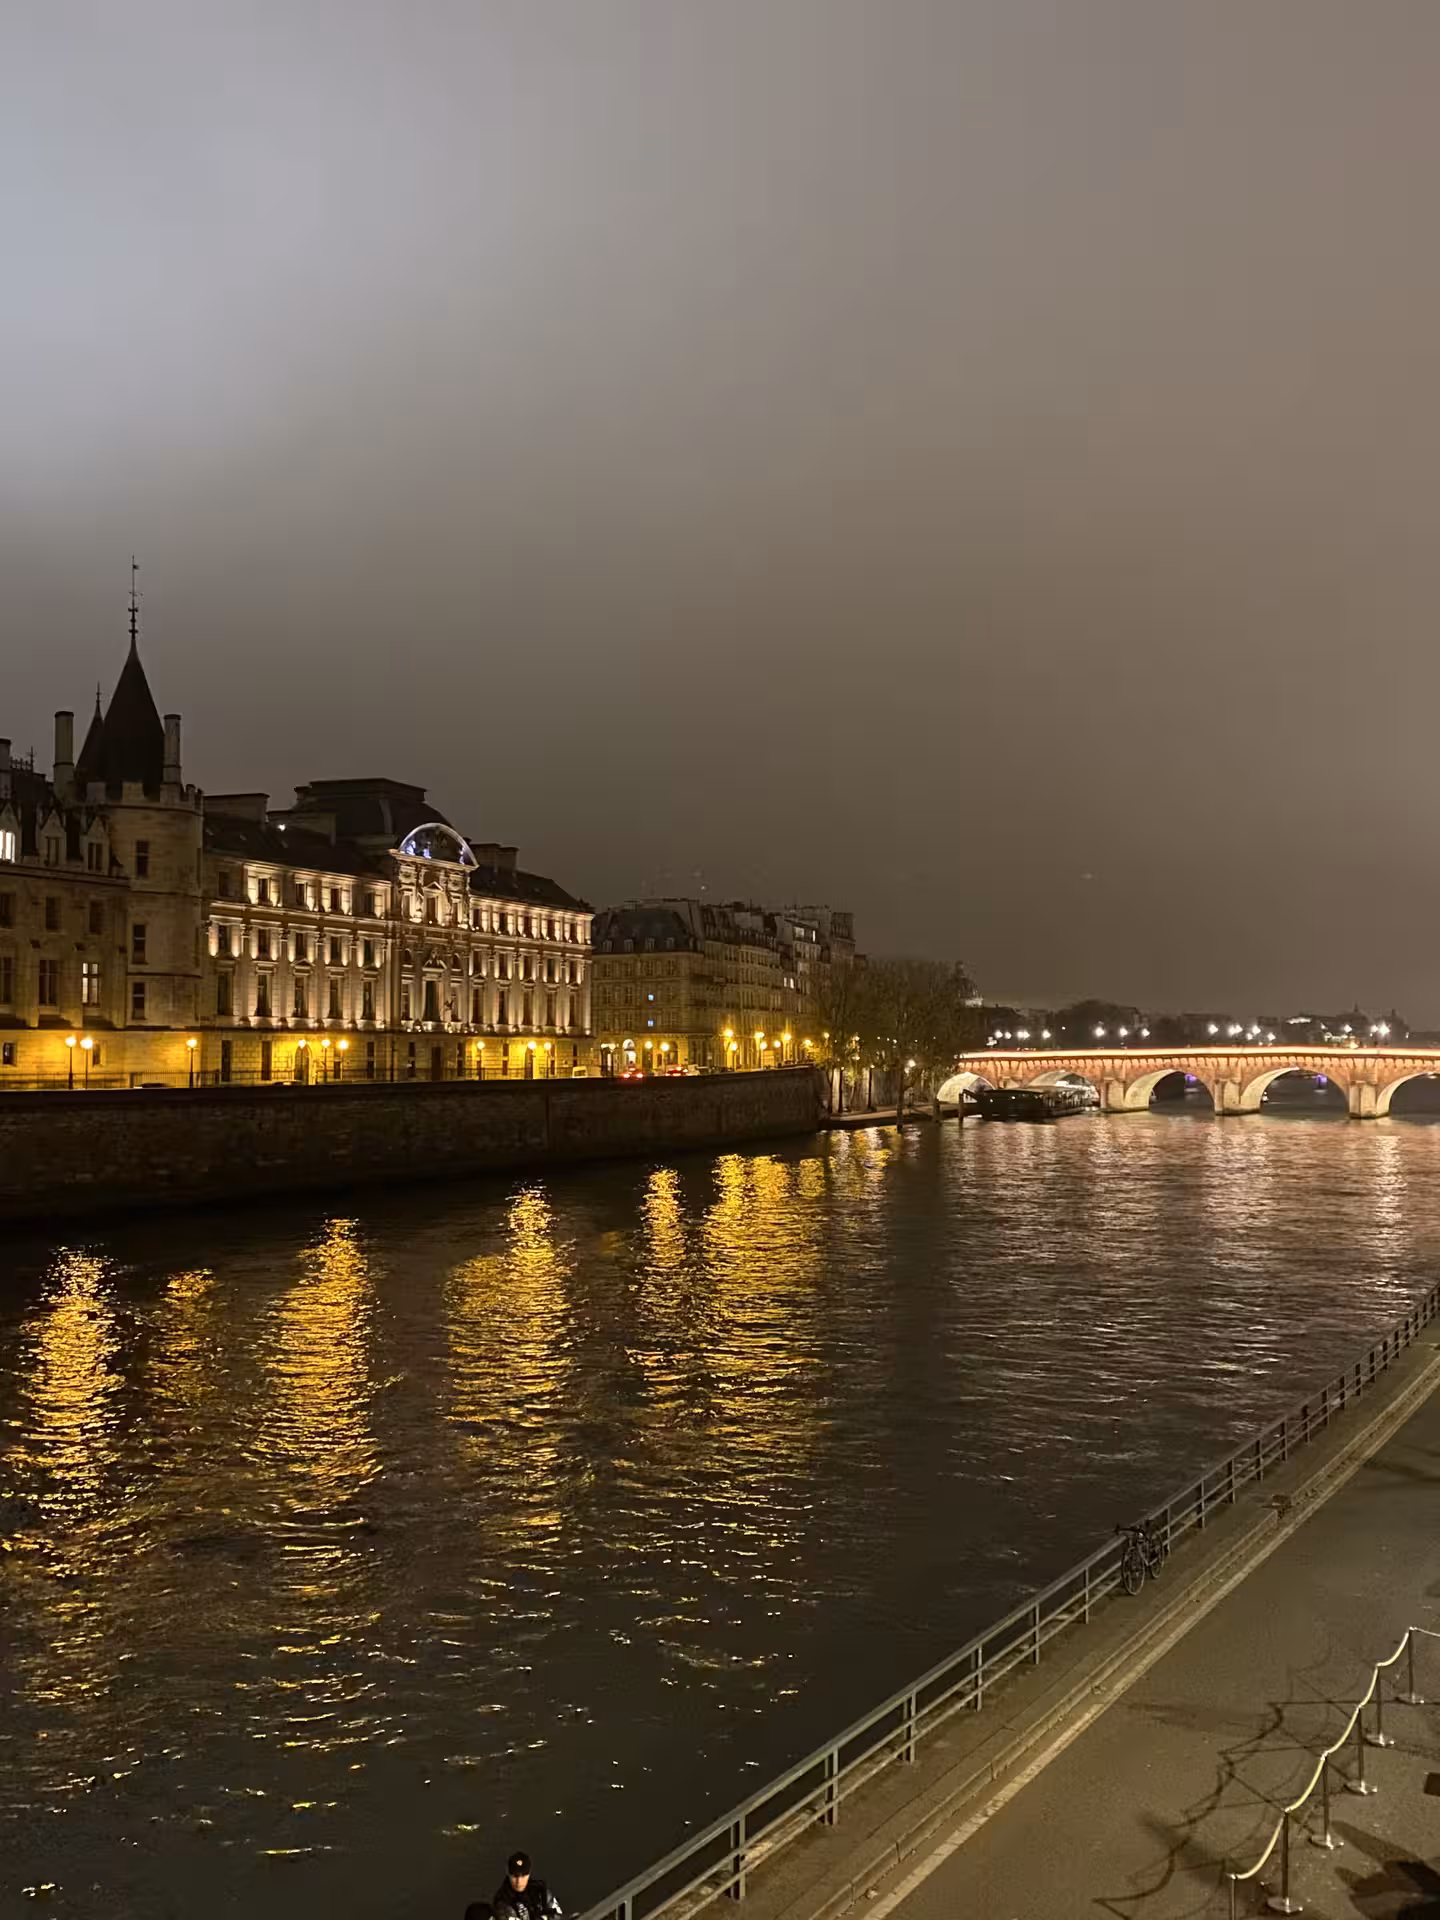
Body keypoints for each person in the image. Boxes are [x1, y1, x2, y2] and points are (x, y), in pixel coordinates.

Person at [493, 1850, 561, 1920]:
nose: (519, 1881)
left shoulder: (540, 1890)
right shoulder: (502, 1899)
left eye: (523, 1876)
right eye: (515, 1876)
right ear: (509, 1875)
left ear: (529, 1874)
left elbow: (558, 1915)